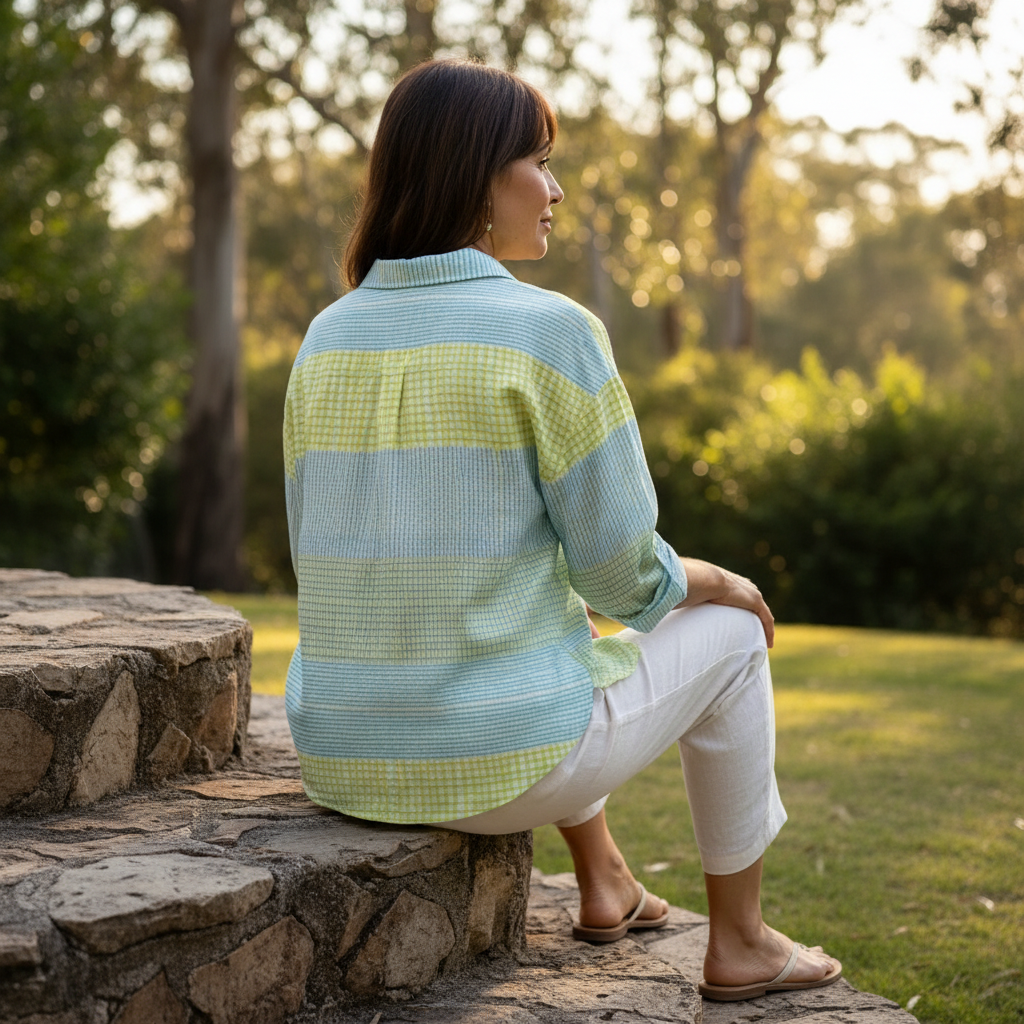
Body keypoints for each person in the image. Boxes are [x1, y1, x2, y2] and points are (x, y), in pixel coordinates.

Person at [282, 57, 842, 1002]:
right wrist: (716, 581)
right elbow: (625, 576)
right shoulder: (549, 330)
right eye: (536, 161)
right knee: (737, 637)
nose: (554, 187)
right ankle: (742, 943)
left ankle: (606, 879)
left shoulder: (326, 335)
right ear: (473, 176)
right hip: (491, 761)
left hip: (342, 754)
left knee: (553, 630)